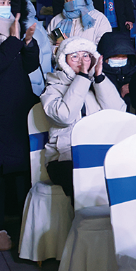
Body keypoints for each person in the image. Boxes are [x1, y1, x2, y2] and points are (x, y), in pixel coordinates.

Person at [0, 0, 39, 251]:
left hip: (18, 110)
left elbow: (30, 66)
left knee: (20, 170)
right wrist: (14, 41)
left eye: (8, 2)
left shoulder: (14, 32)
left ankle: (24, 223)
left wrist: (27, 44)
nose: (4, 7)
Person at [41, 37, 125, 198]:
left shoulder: (97, 85)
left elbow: (118, 113)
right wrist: (83, 78)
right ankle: (84, 223)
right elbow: (64, 116)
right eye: (74, 57)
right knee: (83, 184)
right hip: (63, 158)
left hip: (97, 153)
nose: (81, 61)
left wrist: (99, 78)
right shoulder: (52, 88)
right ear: (63, 61)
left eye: (86, 56)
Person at [46, 0, 111, 49]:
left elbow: (104, 49)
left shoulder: (99, 19)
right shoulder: (56, 20)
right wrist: (56, 50)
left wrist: (70, 46)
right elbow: (46, 48)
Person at [97, 31, 136, 100]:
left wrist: (135, 88)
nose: (120, 59)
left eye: (124, 56)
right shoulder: (97, 76)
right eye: (115, 56)